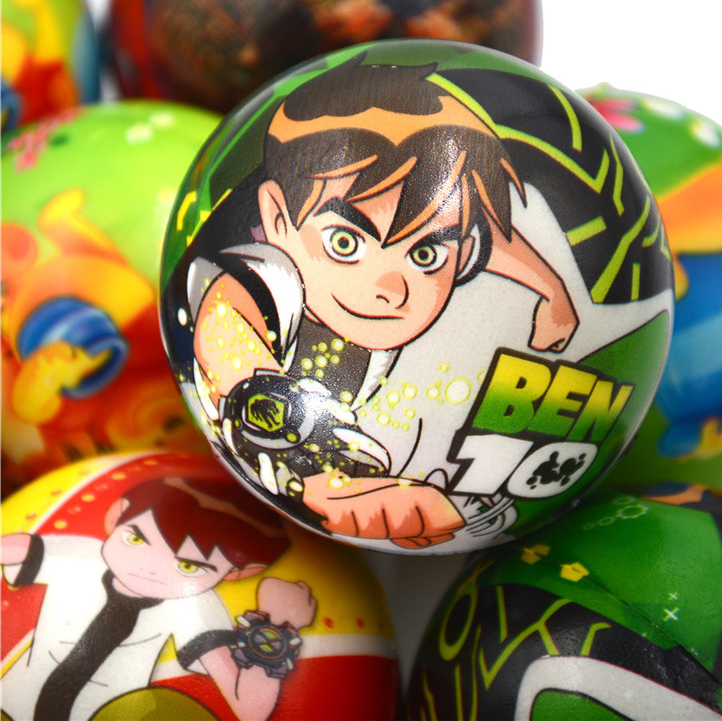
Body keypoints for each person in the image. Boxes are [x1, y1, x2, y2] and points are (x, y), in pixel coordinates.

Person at [188, 54, 578, 549]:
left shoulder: (452, 237)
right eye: (345, 243)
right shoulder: (261, 280)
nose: (392, 289)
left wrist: (553, 292)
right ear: (277, 218)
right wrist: (322, 477)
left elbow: (483, 233)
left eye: (425, 254)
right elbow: (231, 352)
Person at [1, 477, 316, 721]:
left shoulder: (197, 612)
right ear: (116, 515)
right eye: (136, 538)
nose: (148, 568)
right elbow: (14, 548)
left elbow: (248, 707)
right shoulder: (77, 558)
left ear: (238, 573)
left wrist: (276, 628)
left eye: (188, 566)